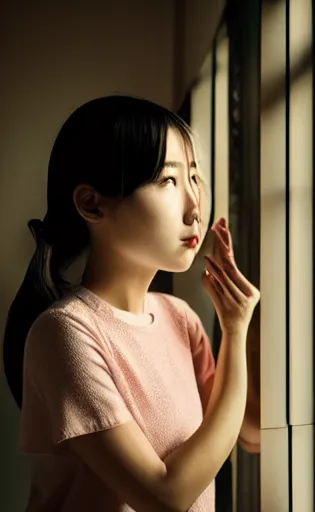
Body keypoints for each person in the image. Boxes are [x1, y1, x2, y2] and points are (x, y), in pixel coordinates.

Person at [2, 95, 260, 512]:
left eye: (195, 178)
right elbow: (164, 496)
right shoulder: (65, 332)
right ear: (91, 203)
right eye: (168, 181)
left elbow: (249, 431)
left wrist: (247, 325)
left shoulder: (181, 319)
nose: (195, 208)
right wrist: (233, 329)